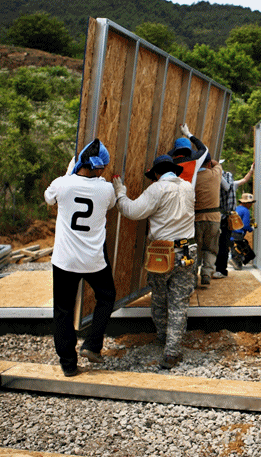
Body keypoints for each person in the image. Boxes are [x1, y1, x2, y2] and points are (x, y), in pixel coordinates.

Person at [113, 154, 196, 370]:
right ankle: (172, 351)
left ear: (157, 174)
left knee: (159, 297)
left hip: (162, 253)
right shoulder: (188, 187)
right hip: (187, 251)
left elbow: (132, 211)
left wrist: (120, 193)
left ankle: (162, 338)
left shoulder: (157, 189)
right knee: (179, 301)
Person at [44, 138, 117, 377]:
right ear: (99, 167)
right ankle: (92, 344)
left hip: (65, 261)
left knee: (63, 310)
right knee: (107, 296)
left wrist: (67, 175)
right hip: (93, 260)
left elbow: (49, 198)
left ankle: (68, 364)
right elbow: (110, 205)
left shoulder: (62, 184)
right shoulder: (107, 189)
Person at [214, 163, 254, 278]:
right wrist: (251, 171)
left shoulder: (218, 184)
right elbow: (244, 180)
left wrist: (251, 171)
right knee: (227, 245)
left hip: (219, 218)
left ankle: (216, 267)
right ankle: (226, 266)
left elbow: (244, 180)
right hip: (229, 223)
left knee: (218, 244)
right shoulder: (233, 185)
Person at [193, 155, 223, 285]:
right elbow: (217, 164)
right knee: (211, 248)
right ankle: (206, 273)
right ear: (209, 163)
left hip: (197, 219)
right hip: (214, 218)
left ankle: (193, 277)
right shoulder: (215, 174)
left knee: (195, 249)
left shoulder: (193, 178)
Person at [230, 192, 256, 270]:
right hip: (238, 235)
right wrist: (252, 228)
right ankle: (236, 261)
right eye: (250, 203)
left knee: (236, 250)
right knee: (250, 255)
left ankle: (236, 261)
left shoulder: (236, 208)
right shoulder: (245, 211)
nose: (251, 205)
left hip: (231, 235)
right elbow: (245, 225)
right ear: (245, 203)